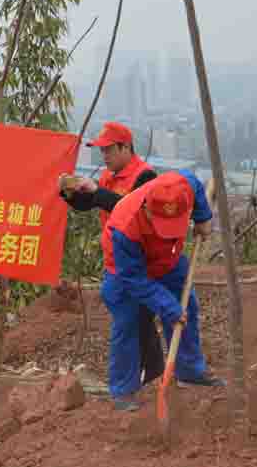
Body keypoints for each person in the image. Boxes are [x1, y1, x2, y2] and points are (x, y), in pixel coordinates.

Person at [58, 121, 165, 409]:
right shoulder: (108, 177)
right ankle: (145, 379)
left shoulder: (146, 177)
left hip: (139, 266)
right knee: (134, 323)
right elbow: (91, 202)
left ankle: (130, 388)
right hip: (116, 266)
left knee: (131, 325)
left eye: (108, 150)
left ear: (125, 148)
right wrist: (69, 191)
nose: (104, 156)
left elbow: (133, 211)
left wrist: (97, 191)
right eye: (101, 151)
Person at [102, 170, 225, 409]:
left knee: (186, 305)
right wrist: (168, 307)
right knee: (127, 322)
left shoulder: (182, 187)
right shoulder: (124, 227)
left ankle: (189, 370)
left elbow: (197, 188)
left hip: (168, 259)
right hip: (125, 269)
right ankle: (123, 391)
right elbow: (134, 279)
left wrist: (202, 218)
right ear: (147, 208)